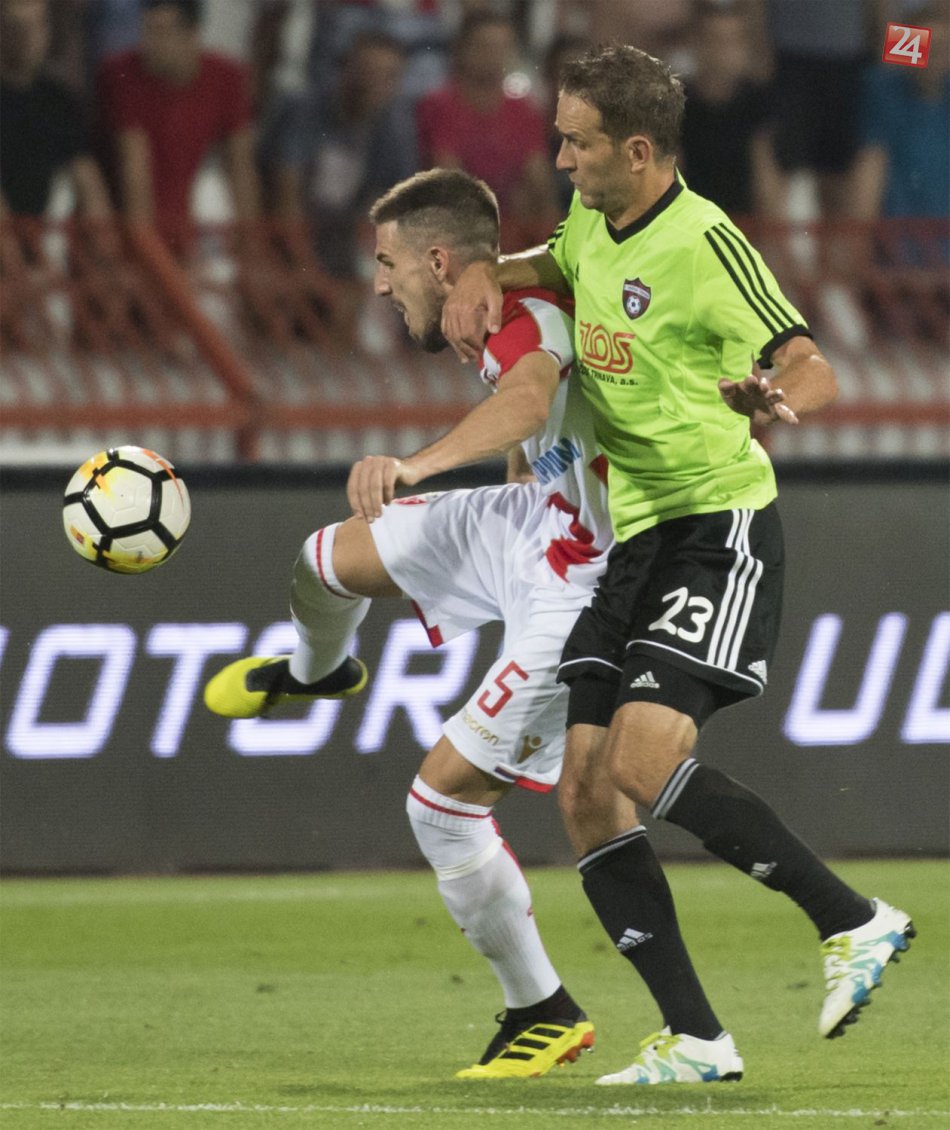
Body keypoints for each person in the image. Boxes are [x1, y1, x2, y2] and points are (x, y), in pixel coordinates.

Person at [441, 43, 915, 1085]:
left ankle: (851, 919)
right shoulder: (592, 221)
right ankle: (696, 1037)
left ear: (639, 151)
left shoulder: (706, 243)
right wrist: (486, 269)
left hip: (716, 529)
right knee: (582, 789)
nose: (560, 158)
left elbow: (810, 361)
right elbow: (557, 261)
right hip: (637, 539)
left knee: (641, 761)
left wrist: (778, 401)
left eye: (577, 142)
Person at [203, 167, 616, 1080]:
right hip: (539, 519)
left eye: (388, 264)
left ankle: (540, 1010)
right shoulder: (495, 303)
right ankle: (319, 669)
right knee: (327, 559)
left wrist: (417, 466)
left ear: (438, 261)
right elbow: (542, 409)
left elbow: (528, 394)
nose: (379, 285)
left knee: (441, 806)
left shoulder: (516, 310)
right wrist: (523, 463)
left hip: (588, 579)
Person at [95, 0, 260, 248]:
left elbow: (241, 168)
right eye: (146, 30)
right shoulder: (121, 74)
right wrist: (149, 253)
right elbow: (135, 173)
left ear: (191, 35)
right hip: (123, 231)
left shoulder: (227, 78)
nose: (148, 43)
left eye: (161, 32)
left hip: (179, 229)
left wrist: (252, 247)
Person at [415, 10, 559, 251]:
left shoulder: (522, 110)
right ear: (462, 49)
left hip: (510, 229)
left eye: (502, 47)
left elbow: (539, 183)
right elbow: (451, 184)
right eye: (484, 47)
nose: (494, 56)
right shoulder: (439, 106)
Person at [0, 0, 113, 220]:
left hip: (41, 230)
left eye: (36, 25)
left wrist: (103, 236)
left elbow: (89, 184)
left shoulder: (59, 101)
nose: (27, 37)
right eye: (16, 27)